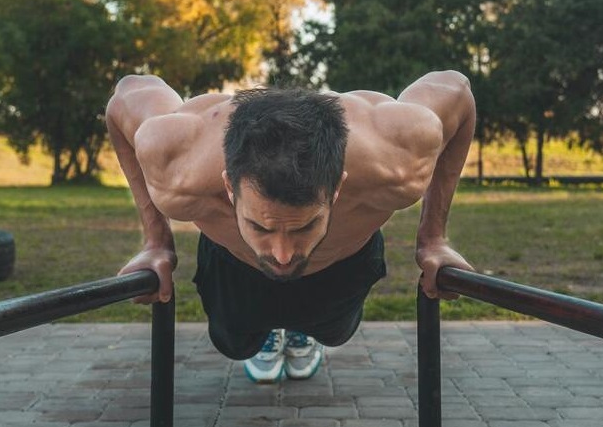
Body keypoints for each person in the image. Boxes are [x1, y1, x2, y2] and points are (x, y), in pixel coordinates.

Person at [107, 71, 475, 383]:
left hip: (340, 266)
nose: (282, 254)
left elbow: (457, 90)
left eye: (303, 226)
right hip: (236, 265)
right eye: (261, 227)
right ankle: (269, 326)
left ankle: (302, 328)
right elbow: (127, 94)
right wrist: (156, 242)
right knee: (235, 344)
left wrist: (433, 238)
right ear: (228, 188)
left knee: (334, 331)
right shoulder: (179, 159)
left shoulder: (396, 156)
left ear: (338, 188)